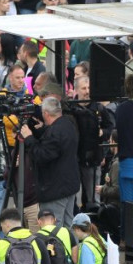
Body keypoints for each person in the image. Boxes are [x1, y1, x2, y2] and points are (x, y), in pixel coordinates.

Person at [20, 96, 81, 225]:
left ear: (46, 114)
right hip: (69, 186)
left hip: (55, 189)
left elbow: (41, 155)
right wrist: (43, 131)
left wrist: (29, 137)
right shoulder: (68, 124)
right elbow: (56, 145)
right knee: (68, 225)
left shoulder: (54, 132)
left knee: (52, 228)